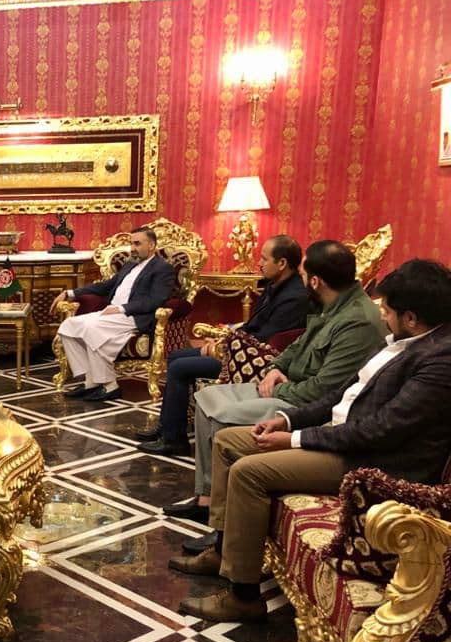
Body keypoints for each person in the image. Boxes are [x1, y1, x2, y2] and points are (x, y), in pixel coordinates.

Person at [171, 259, 451, 622]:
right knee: (227, 442)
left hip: (370, 461)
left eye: (387, 310)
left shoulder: (438, 360)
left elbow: (383, 430)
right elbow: (341, 394)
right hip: (344, 436)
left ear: (411, 318)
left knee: (249, 472)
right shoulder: (402, 341)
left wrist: (296, 439)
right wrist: (288, 419)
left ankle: (243, 595)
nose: (381, 315)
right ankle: (224, 551)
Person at [173, 240, 385, 547]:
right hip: (286, 387)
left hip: (301, 402)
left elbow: (325, 389)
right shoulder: (330, 305)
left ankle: (222, 525)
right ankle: (206, 498)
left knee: (223, 417)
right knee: (208, 399)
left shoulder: (357, 321)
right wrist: (275, 367)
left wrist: (279, 386)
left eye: (304, 274)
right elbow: (298, 345)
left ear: (315, 281)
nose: (301, 279)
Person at [137, 235, 309, 457]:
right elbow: (252, 325)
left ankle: (174, 441)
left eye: (264, 259)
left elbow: (265, 339)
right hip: (239, 349)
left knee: (180, 367)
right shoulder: (276, 284)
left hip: (253, 361)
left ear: (282, 263)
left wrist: (222, 346)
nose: (259, 263)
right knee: (176, 357)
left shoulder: (294, 297)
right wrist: (222, 339)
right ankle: (169, 425)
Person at [51, 225, 175, 401]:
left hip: (133, 316)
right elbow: (106, 286)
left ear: (151, 245)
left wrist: (122, 308)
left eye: (137, 243)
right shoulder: (130, 263)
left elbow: (155, 300)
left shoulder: (162, 268)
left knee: (91, 328)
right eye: (131, 243)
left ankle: (110, 386)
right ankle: (91, 381)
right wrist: (70, 293)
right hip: (111, 314)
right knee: (68, 326)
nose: (132, 248)